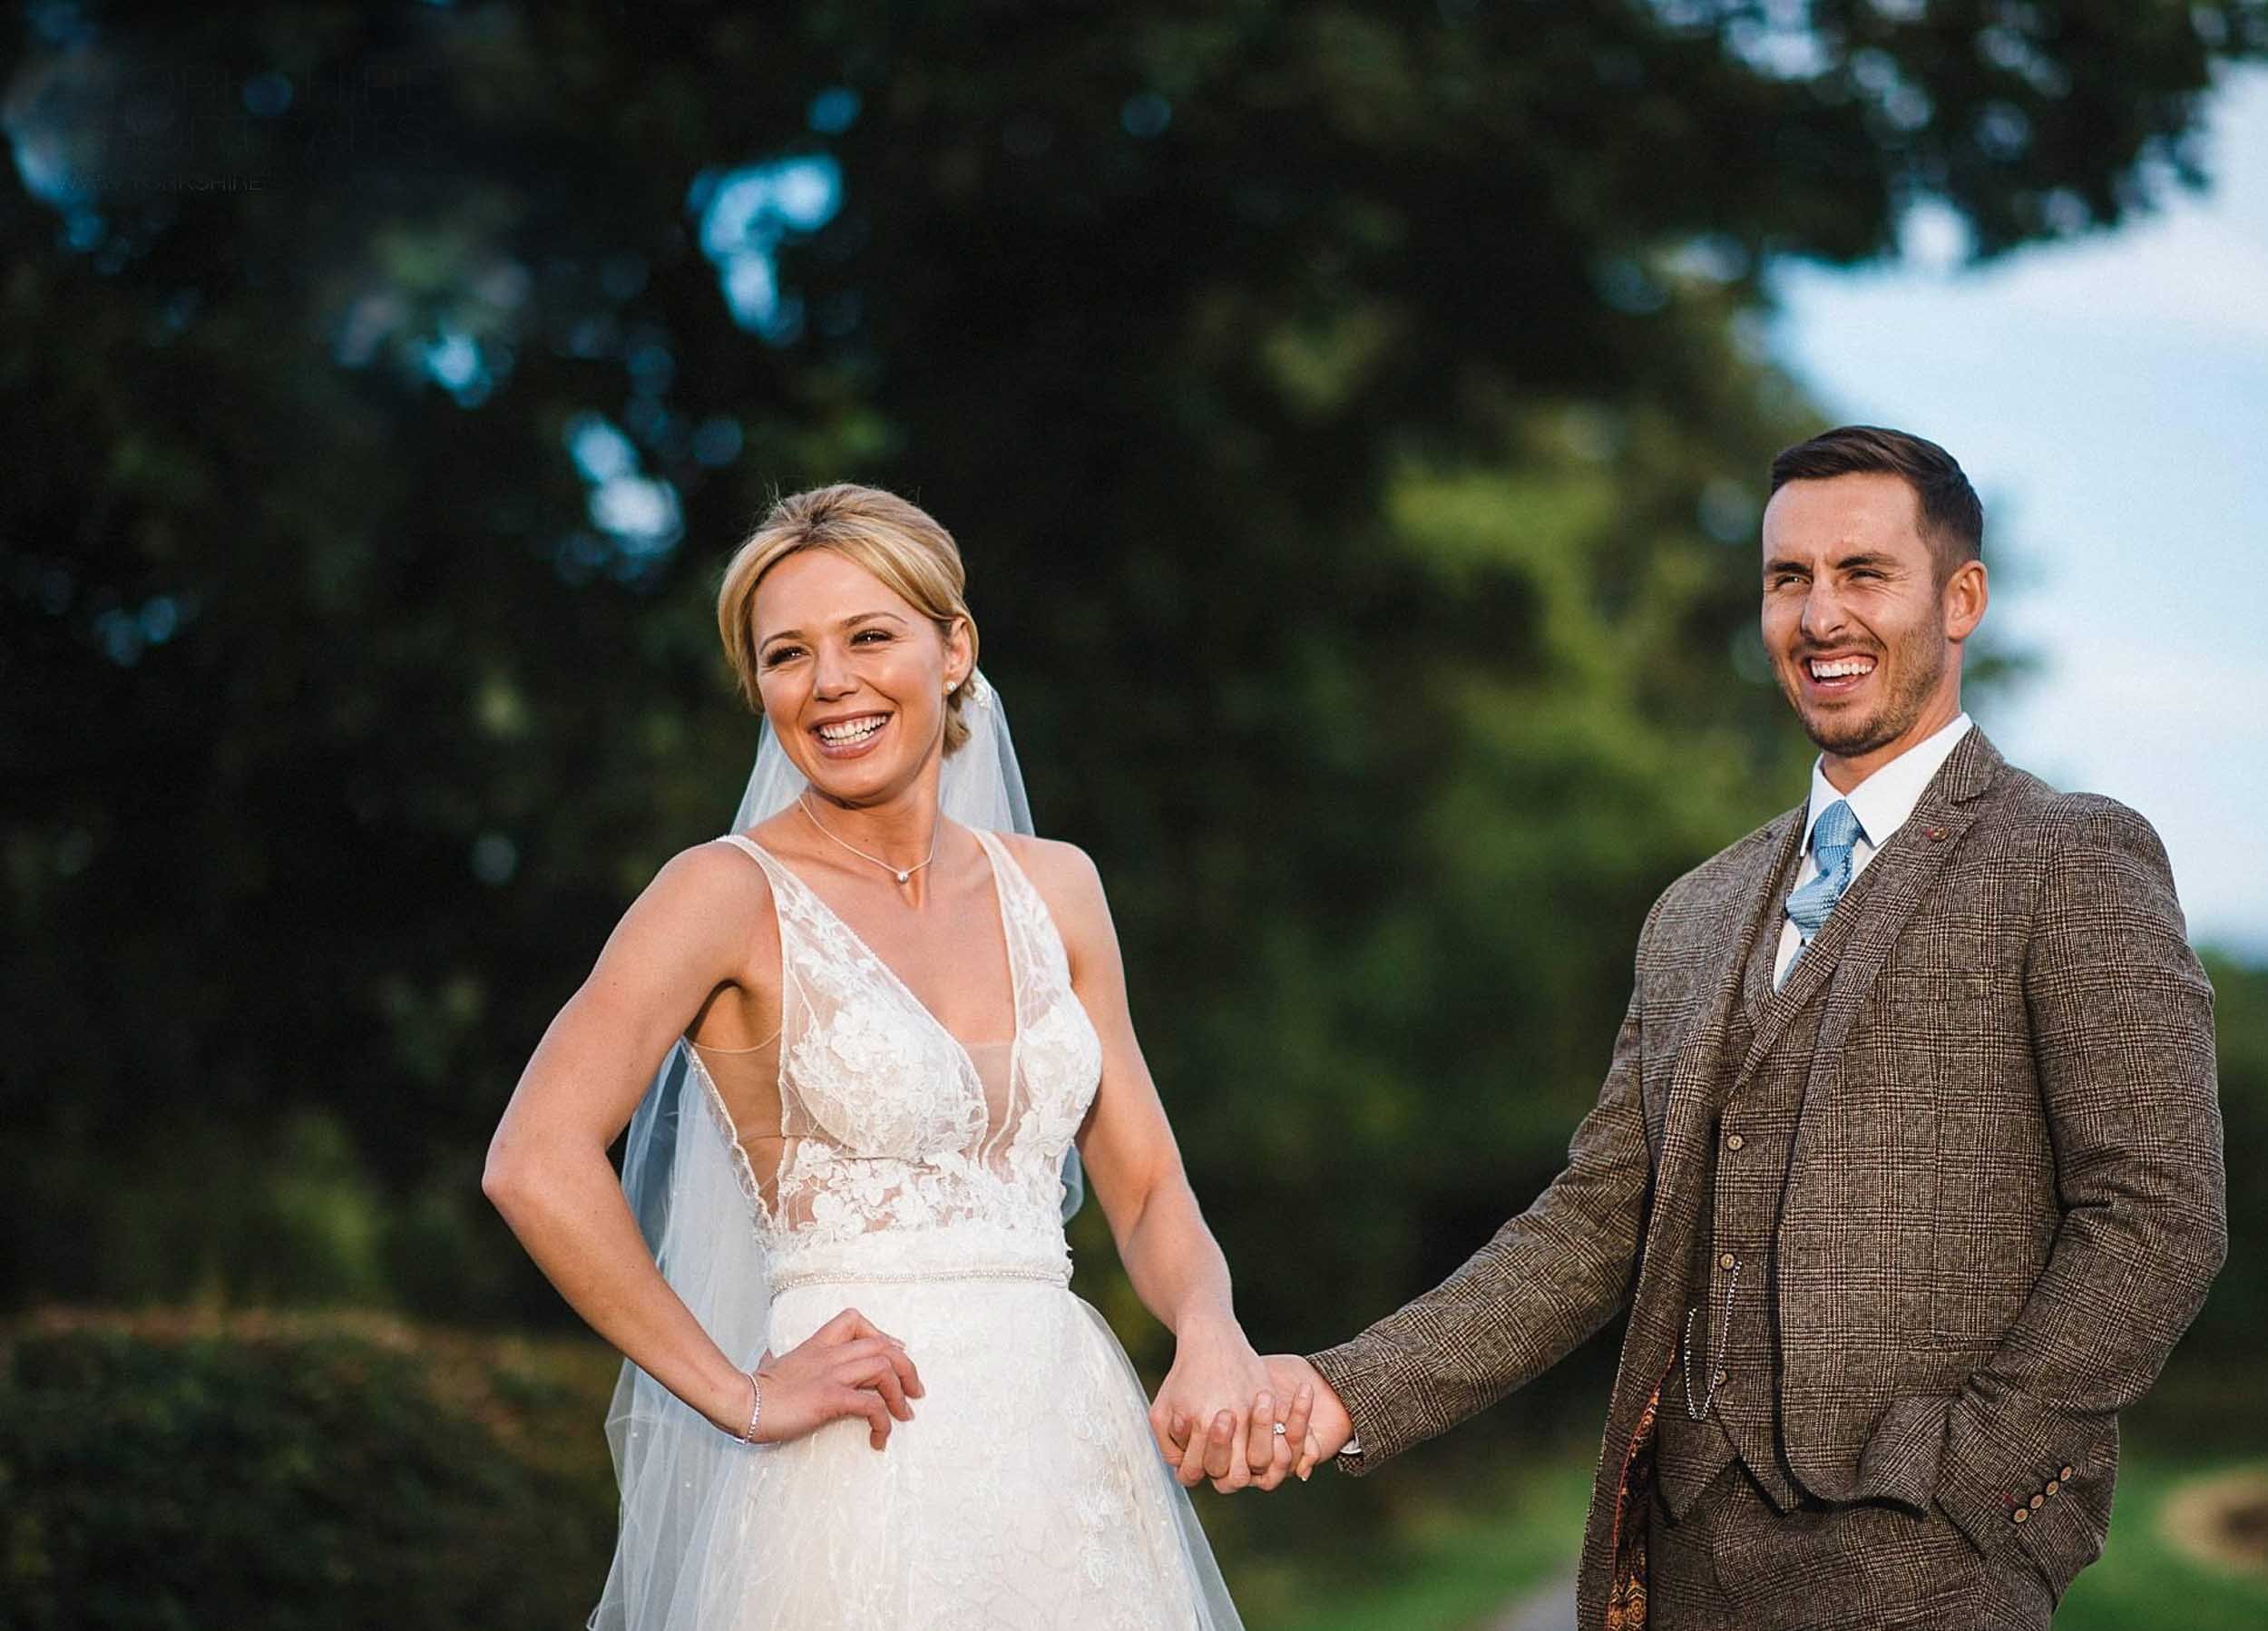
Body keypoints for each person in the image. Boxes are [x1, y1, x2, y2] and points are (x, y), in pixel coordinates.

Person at [1195, 426, 2227, 1628]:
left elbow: (2156, 1213)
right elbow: (1591, 1226)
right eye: (1788, 578)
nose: (1820, 614)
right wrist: (1346, 1388)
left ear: (1961, 599)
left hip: (1933, 1562)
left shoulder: (2072, 858)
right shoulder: (1696, 910)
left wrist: (1978, 1467)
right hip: (1681, 1556)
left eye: (1864, 573)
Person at [484, 483, 1276, 1629]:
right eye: (787, 655)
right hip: (856, 1463)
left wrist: (1209, 1327)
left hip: (1068, 1453)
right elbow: (534, 1158)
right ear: (759, 687)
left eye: (868, 636)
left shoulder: (1059, 887)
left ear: (953, 648)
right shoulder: (719, 894)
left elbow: (1148, 1186)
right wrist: (738, 1395)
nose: (830, 684)